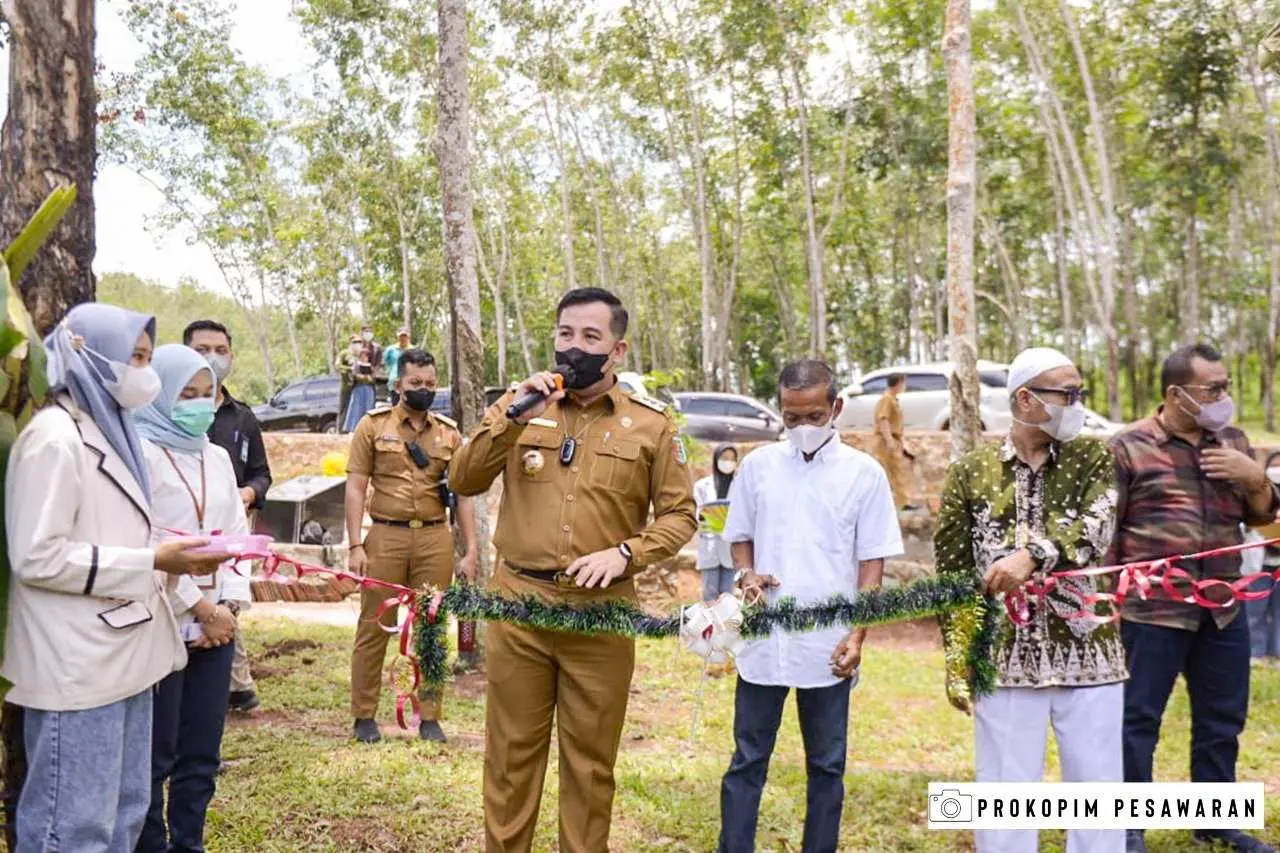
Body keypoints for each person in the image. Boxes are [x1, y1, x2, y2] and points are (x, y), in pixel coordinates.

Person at [449, 287, 697, 853]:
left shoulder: (651, 427)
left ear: (618, 350)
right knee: (510, 760)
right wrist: (512, 418)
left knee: (589, 768)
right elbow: (462, 479)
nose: (574, 347)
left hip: (601, 617)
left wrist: (626, 554)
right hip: (519, 609)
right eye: (565, 334)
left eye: (590, 337)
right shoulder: (521, 405)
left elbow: (682, 516)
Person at [3, 304, 228, 853]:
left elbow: (124, 533)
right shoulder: (55, 440)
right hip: (78, 666)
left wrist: (179, 559)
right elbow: (37, 557)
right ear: (89, 354)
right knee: (73, 828)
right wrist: (154, 561)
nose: (144, 373)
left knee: (124, 817)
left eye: (148, 359)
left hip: (127, 659)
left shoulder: (111, 431)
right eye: (136, 358)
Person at [934, 346, 1125, 853]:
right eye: (1068, 393)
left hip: (1091, 656)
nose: (1077, 403)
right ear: (1025, 399)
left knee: (1098, 794)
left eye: (1080, 392)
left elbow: (1095, 530)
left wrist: (1032, 556)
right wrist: (959, 657)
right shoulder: (971, 472)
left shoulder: (1093, 458)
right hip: (1003, 657)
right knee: (1004, 792)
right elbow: (953, 575)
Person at [718, 360, 902, 853]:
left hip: (829, 643)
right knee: (747, 759)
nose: (801, 428)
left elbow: (871, 566)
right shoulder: (758, 467)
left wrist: (859, 634)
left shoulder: (864, 475)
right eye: (791, 418)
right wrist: (747, 575)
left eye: (813, 416)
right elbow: (739, 539)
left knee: (826, 764)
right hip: (764, 642)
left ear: (836, 408)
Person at [1112, 343, 1278, 853]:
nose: (1223, 397)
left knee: (1222, 717)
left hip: (1224, 609)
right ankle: (1126, 827)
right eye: (1214, 389)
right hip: (1152, 610)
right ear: (1175, 394)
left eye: (1226, 386)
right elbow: (1105, 534)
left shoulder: (1232, 440)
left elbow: (1261, 517)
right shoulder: (1127, 447)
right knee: (1138, 719)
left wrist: (1254, 479)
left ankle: (1216, 822)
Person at [134, 345, 252, 853]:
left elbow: (238, 537)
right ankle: (150, 845)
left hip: (219, 621)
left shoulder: (218, 456)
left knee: (201, 752)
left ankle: (189, 843)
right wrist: (199, 608)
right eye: (187, 394)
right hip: (161, 617)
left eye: (208, 394)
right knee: (155, 754)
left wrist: (228, 607)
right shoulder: (139, 452)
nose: (200, 404)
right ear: (161, 393)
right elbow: (144, 539)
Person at [345, 348, 478, 743]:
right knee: (375, 625)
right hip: (385, 536)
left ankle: (431, 716)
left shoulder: (448, 433)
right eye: (415, 383)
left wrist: (469, 550)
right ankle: (364, 716)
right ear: (398, 383)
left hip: (435, 537)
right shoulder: (372, 427)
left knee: (432, 628)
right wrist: (355, 544)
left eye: (430, 384)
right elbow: (355, 487)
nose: (423, 390)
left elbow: (465, 496)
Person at [184, 319, 273, 714]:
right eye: (203, 349)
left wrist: (250, 493)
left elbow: (262, 473)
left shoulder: (243, 417)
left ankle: (232, 684)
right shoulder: (167, 416)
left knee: (229, 601)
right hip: (184, 535)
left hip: (232, 532)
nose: (213, 358)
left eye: (220, 350)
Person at [1246, 457, 1280, 664]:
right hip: (1259, 563)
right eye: (1276, 465)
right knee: (1254, 610)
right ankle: (1255, 654)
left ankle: (1276, 653)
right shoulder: (1257, 494)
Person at [695, 444, 738, 601]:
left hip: (730, 549)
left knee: (727, 596)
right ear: (716, 459)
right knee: (709, 595)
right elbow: (697, 513)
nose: (728, 462)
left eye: (732, 459)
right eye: (725, 458)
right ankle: (709, 626)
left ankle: (725, 626)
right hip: (709, 545)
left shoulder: (740, 485)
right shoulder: (701, 486)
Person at [870, 372, 915, 509]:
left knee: (897, 470)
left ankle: (902, 502)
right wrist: (889, 440)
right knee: (895, 470)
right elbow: (883, 419)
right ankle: (903, 503)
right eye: (903, 383)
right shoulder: (887, 399)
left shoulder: (893, 399)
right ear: (899, 383)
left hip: (894, 438)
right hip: (886, 439)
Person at [342, 331, 380, 433]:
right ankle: (353, 429)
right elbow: (355, 375)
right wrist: (365, 378)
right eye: (363, 354)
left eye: (366, 355)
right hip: (358, 389)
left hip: (369, 390)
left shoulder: (371, 366)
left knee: (368, 409)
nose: (364, 357)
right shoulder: (356, 364)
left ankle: (367, 430)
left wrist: (368, 378)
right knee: (356, 409)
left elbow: (373, 377)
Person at [336, 334, 361, 433]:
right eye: (354, 342)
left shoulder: (359, 355)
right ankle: (340, 430)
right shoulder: (344, 353)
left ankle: (351, 429)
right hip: (346, 385)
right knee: (343, 408)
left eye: (359, 342)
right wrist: (349, 369)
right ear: (350, 342)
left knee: (354, 408)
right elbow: (337, 366)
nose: (357, 344)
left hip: (357, 385)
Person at [384, 328, 412, 406]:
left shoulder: (413, 350)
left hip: (408, 383)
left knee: (408, 406)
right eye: (401, 336)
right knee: (395, 406)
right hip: (394, 383)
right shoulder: (390, 350)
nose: (403, 338)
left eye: (404, 336)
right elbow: (387, 364)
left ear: (408, 337)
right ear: (397, 337)